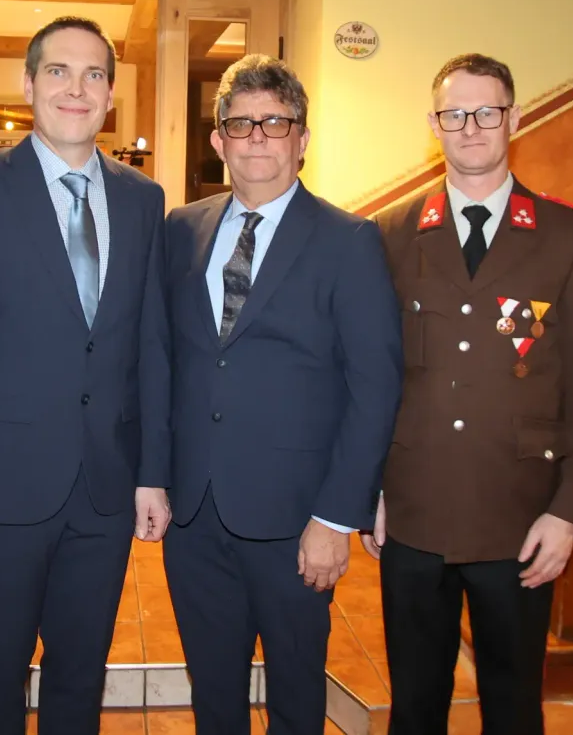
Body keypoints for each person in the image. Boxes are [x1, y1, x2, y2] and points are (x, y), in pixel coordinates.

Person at [0, 17, 172, 734]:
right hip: (0, 493)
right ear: (28, 85)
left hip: (105, 489)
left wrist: (152, 473)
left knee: (80, 672)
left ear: (111, 96)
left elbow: (150, 346)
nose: (76, 88)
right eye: (58, 71)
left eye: (94, 75)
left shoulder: (142, 199)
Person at [366, 53, 573, 735]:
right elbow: (373, 377)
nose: (471, 126)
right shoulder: (389, 234)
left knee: (512, 705)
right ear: (433, 125)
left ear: (515, 118)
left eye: (487, 111)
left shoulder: (568, 235)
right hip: (414, 511)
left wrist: (568, 511)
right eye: (455, 113)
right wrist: (372, 491)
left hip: (521, 518)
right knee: (415, 705)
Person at [163, 54, 403, 734]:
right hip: (196, 515)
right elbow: (161, 362)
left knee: (296, 701)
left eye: (277, 122)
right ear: (218, 142)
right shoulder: (181, 230)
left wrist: (336, 517)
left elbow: (374, 385)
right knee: (213, 695)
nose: (259, 137)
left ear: (303, 139)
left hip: (297, 524)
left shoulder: (349, 240)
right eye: (242, 124)